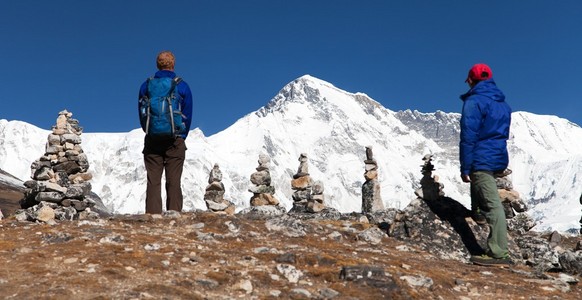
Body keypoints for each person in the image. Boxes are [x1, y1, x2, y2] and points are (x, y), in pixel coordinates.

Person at [459, 63, 513, 265]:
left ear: (471, 80)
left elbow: (468, 136)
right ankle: (478, 213)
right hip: (498, 156)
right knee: (482, 184)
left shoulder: (474, 102)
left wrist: (465, 166)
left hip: (481, 157)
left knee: (492, 204)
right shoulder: (503, 104)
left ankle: (498, 253)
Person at [138, 51, 193, 214]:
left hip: (152, 139)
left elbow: (141, 112)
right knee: (174, 181)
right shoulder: (181, 85)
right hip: (175, 140)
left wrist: (149, 130)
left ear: (157, 65)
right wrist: (181, 136)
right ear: (173, 64)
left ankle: (153, 219)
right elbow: (188, 114)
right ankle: (173, 218)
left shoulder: (146, 85)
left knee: (153, 181)